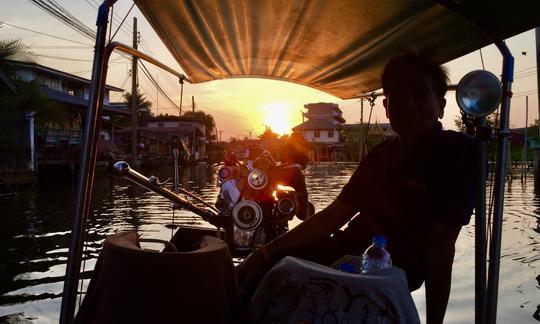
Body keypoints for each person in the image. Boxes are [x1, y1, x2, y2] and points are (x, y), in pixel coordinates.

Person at [236, 51, 478, 324]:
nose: (409, 105)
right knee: (262, 270)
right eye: (398, 96)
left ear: (441, 106)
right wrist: (265, 251)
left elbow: (441, 250)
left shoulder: (458, 154)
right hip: (344, 255)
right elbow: (331, 218)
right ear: (387, 106)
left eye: (421, 95)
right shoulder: (382, 154)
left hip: (386, 277)